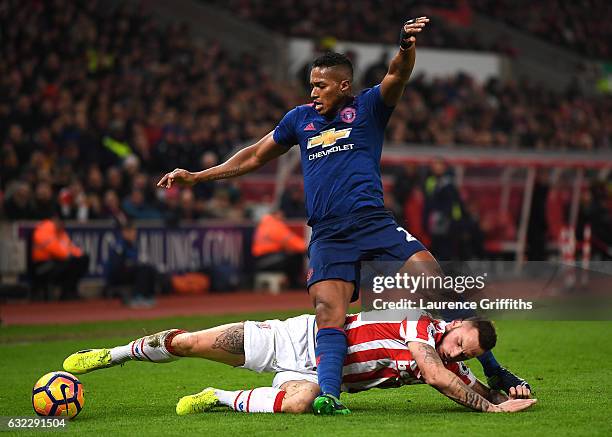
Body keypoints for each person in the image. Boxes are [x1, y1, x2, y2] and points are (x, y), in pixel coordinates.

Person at [157, 16, 528, 414]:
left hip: (374, 224)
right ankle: (330, 397)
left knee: (439, 286)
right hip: (329, 234)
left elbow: (396, 77)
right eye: (311, 84)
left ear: (343, 85)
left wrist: (405, 46)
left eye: (320, 84)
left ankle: (495, 370)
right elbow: (254, 154)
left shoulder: (368, 107)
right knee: (329, 314)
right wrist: (199, 175)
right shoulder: (299, 119)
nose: (312, 91)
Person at [63, 311, 536, 415]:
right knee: (188, 343)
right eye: (459, 342)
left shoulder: (454, 362)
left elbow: (464, 383)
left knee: (298, 405)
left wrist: (512, 394)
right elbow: (436, 375)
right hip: (294, 338)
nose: (455, 354)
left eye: (465, 354)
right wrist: (491, 408)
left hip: (312, 375)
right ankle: (115, 355)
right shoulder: (421, 325)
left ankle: (217, 398)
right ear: (452, 325)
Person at [30, 213, 89, 300]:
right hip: (41, 266)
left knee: (83, 259)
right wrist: (70, 255)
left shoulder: (61, 232)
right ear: (55, 220)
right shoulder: (44, 229)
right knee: (70, 261)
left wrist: (80, 254)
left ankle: (69, 291)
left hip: (55, 262)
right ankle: (65, 292)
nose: (62, 225)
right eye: (60, 222)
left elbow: (70, 247)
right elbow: (56, 250)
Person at [104, 220, 157, 307]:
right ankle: (137, 296)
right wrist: (131, 264)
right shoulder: (119, 245)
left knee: (148, 268)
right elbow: (117, 266)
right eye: (131, 231)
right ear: (124, 232)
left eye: (134, 231)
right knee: (141, 269)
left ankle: (147, 295)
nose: (134, 234)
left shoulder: (132, 245)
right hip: (117, 275)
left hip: (129, 272)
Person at [252, 209, 306, 289]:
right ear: (276, 215)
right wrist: (307, 246)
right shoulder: (274, 225)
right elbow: (291, 241)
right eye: (281, 215)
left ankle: (293, 282)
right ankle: (294, 284)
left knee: (290, 255)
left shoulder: (264, 224)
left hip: (260, 259)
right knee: (294, 256)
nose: (283, 217)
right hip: (265, 260)